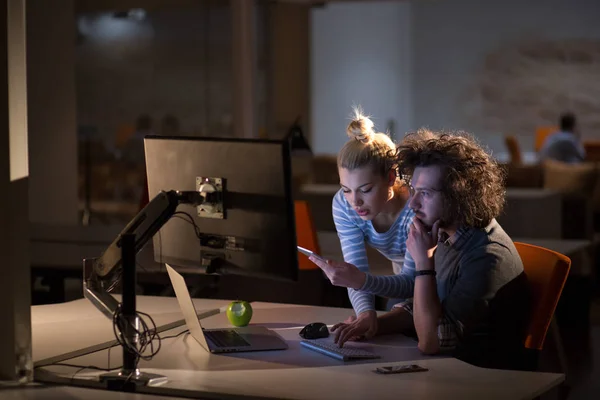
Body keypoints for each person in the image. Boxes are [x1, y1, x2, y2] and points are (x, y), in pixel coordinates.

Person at [311, 129, 531, 369]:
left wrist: (424, 264)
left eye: (424, 194)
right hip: (446, 368)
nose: (413, 203)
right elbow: (419, 308)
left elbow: (430, 341)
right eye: (413, 191)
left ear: (458, 196)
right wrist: (372, 326)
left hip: (479, 380)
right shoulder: (447, 234)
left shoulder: (487, 257)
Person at [320, 108, 416, 341]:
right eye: (346, 190)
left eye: (366, 190)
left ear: (391, 178)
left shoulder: (418, 206)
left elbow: (415, 281)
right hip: (402, 285)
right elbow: (356, 267)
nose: (355, 201)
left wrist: (360, 281)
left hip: (438, 283)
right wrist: (364, 312)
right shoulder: (344, 205)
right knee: (371, 332)